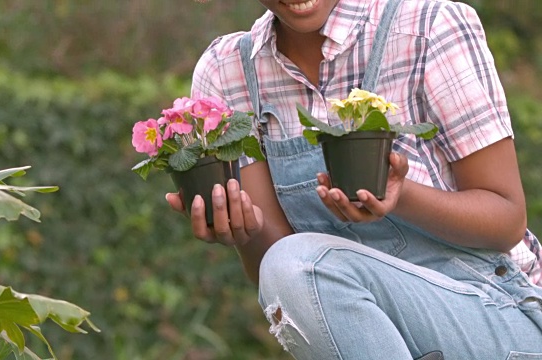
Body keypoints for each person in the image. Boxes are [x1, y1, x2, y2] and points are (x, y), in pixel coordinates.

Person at [166, 0, 542, 358]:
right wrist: (242, 232)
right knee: (288, 265)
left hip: (495, 309)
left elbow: (506, 219)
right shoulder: (228, 70)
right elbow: (291, 275)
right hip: (370, 332)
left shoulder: (427, 27)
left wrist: (400, 194)